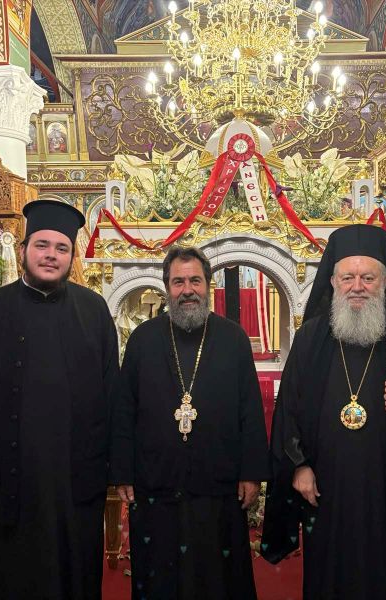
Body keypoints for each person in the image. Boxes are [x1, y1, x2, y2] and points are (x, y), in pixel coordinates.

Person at [0, 199, 120, 599]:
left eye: (61, 248)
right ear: (23, 250)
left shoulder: (94, 311)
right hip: (6, 476)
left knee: (75, 576)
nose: (51, 255)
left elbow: (113, 396)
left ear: (72, 257)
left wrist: (119, 469)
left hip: (75, 477)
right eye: (42, 245)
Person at [261, 224, 386, 599]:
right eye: (348, 277)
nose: (357, 286)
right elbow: (289, 409)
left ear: (384, 282)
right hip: (324, 489)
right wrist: (299, 466)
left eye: (368, 277)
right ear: (333, 282)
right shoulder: (311, 339)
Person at [110, 246, 270, 600]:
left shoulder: (233, 338)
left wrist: (251, 473)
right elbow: (124, 409)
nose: (187, 290)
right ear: (167, 287)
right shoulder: (142, 340)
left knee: (218, 577)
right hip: (156, 482)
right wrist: (122, 471)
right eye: (178, 282)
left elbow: (250, 409)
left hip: (219, 483)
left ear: (207, 285)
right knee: (160, 575)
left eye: (195, 281)